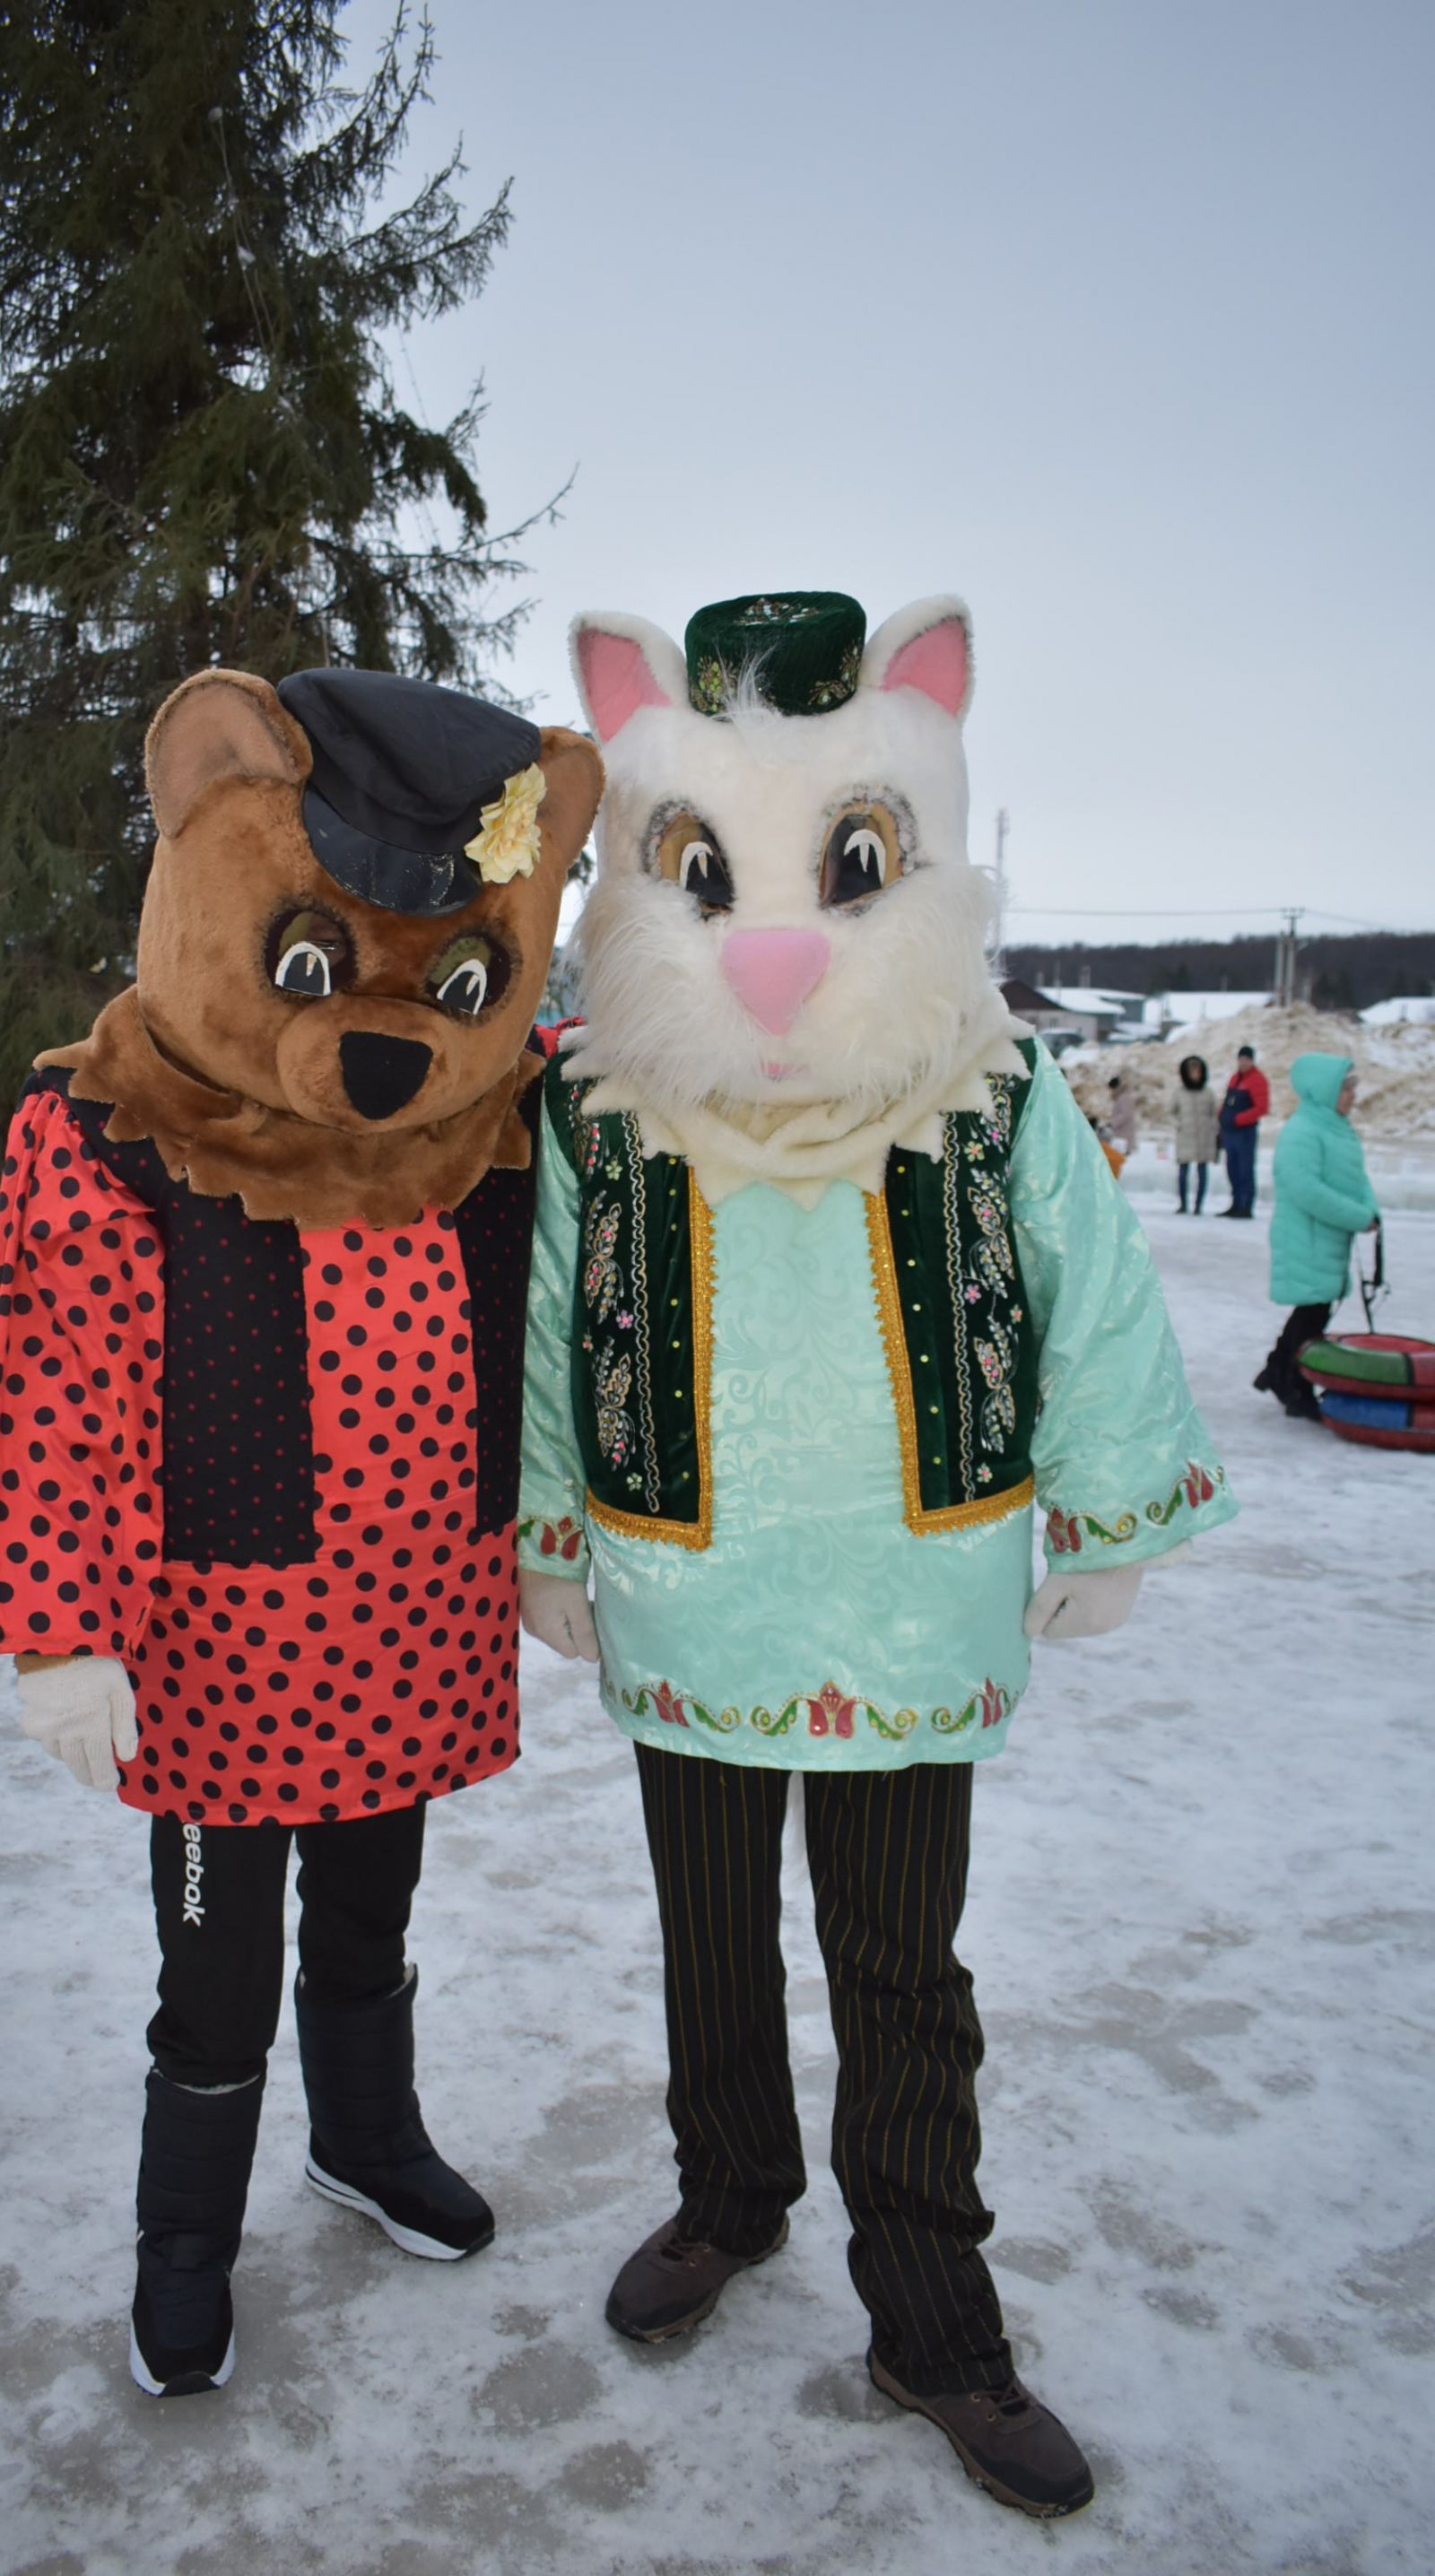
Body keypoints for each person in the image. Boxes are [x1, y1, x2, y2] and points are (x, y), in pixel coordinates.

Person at [522, 589, 1237, 2522]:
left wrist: (1109, 1504)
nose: (771, 946)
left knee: (901, 1965)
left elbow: (1089, 1295)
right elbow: (543, 1321)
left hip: (911, 1602)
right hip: (690, 1587)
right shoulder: (608, 1105)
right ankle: (730, 2192)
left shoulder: (991, 1085)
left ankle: (933, 2312)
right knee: (707, 1934)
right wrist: (557, 1531)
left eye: (841, 869)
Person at [0, 665, 603, 2397]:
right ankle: (184, 2238)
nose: (385, 1033)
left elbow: (540, 1353)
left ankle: (367, 2136)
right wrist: (56, 1623)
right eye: (320, 964)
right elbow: (52, 1379)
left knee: (373, 1911)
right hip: (211, 1652)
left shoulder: (496, 1133)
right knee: (216, 1963)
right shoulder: (120, 1133)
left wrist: (546, 1532)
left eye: (445, 980)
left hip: (408, 1623)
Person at [1255, 1054, 1378, 1418]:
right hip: (1306, 1238)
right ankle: (1291, 1383)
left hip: (1327, 1238)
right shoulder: (1303, 1131)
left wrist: (1370, 1211)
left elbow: (1357, 1180)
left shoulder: (1335, 1126)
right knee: (1312, 1311)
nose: (1352, 1095)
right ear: (1325, 1089)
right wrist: (1357, 1216)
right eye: (1346, 1087)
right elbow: (1306, 1189)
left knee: (1313, 1309)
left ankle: (1278, 1369)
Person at [1218, 1044, 1269, 1216]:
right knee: (1232, 1169)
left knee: (1245, 1169)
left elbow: (1261, 1107)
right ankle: (1235, 1203)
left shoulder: (1257, 1080)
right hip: (1230, 1132)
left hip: (1245, 1132)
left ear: (1252, 1060)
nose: (1243, 1062)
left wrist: (1239, 1119)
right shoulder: (1235, 1078)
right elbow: (1227, 1102)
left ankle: (1246, 1206)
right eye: (1241, 1059)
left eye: (1247, 1059)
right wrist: (1222, 1117)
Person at [1172, 1054, 1217, 1214]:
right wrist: (1180, 1124)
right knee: (1183, 1172)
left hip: (1203, 1138)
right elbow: (1172, 1113)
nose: (1195, 1074)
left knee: (1202, 1172)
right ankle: (1183, 1203)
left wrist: (1212, 1129)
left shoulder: (1208, 1093)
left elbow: (1214, 1113)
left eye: (1197, 1071)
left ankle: (1199, 1205)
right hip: (1185, 1137)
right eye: (1192, 1071)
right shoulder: (1179, 1093)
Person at [1104, 1073, 1138, 1157]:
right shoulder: (1121, 1097)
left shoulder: (1124, 1098)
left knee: (1120, 1158)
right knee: (1118, 1157)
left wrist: (1112, 1123)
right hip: (1120, 1134)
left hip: (1124, 1135)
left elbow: (1126, 1114)